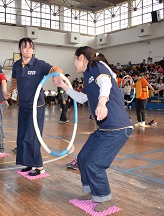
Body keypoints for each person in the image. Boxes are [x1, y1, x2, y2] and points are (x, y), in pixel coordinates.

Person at [53, 46, 132, 212]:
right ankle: (91, 193)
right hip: (105, 129)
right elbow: (82, 98)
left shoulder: (97, 66)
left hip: (118, 128)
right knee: (83, 158)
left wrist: (102, 103)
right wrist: (63, 86)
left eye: (74, 60)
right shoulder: (87, 75)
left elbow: (106, 82)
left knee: (95, 163)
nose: (74, 64)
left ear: (81, 57)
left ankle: (105, 198)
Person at [5, 37, 63, 176]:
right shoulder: (17, 65)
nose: (28, 49)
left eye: (30, 47)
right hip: (23, 105)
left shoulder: (39, 64)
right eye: (25, 47)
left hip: (36, 106)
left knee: (33, 136)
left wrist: (56, 75)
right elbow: (14, 80)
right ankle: (29, 164)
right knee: (23, 136)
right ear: (20, 49)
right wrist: (9, 92)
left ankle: (39, 166)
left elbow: (56, 68)